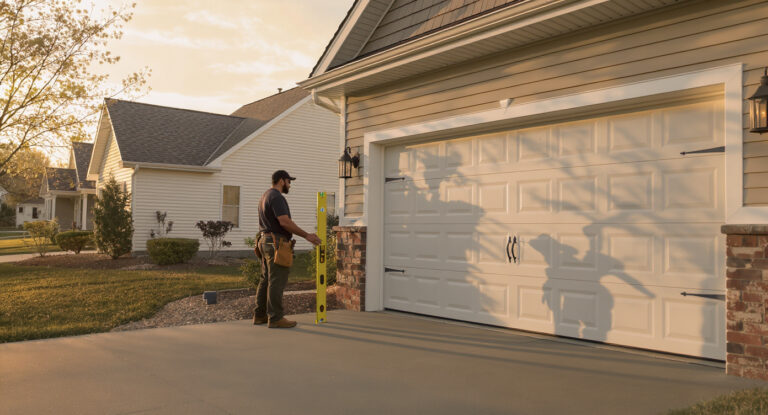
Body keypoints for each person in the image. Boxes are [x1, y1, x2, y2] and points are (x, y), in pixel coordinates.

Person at [253, 170, 322, 328]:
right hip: (276, 243)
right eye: (289, 181)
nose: (289, 185)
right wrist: (306, 235)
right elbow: (284, 221)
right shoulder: (277, 197)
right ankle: (276, 318)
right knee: (276, 280)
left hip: (264, 241)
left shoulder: (265, 196)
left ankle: (260, 315)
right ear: (282, 181)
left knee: (266, 280)